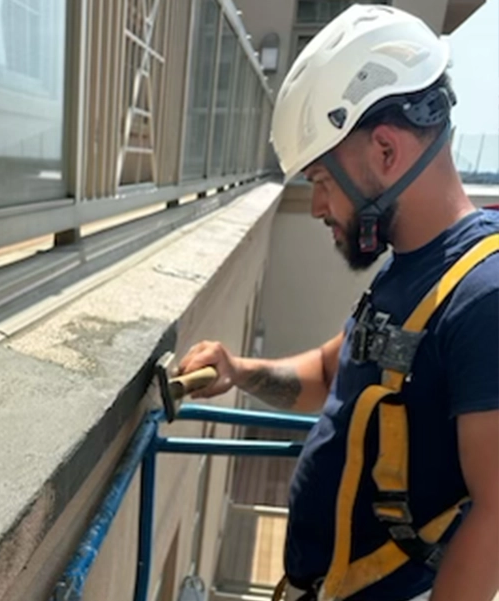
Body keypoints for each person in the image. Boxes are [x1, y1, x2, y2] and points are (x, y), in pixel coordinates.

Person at [178, 5, 498, 601]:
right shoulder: (409, 273)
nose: (320, 206)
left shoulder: (484, 297)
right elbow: (333, 372)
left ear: (384, 151)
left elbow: (495, 516)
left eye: (322, 179)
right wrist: (238, 370)